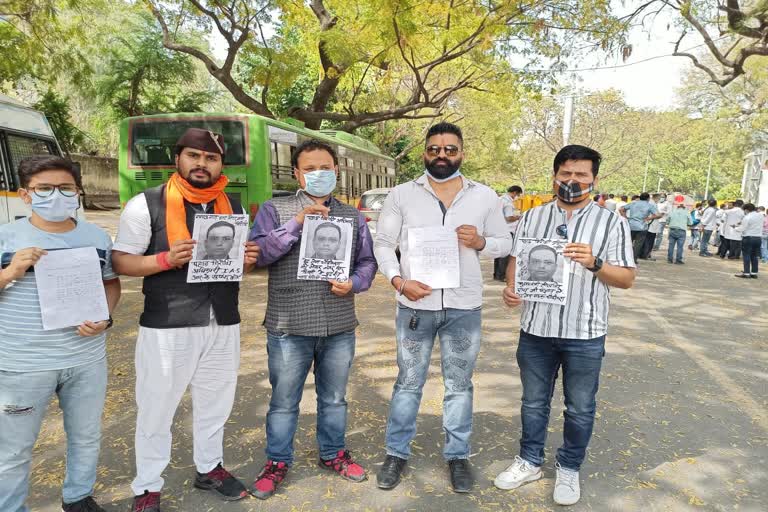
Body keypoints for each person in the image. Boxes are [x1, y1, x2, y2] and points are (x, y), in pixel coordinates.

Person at [112, 128, 260, 512]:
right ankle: (147, 486)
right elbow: (121, 261)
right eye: (194, 155)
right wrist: (164, 259)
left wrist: (246, 260)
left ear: (220, 165)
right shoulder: (146, 204)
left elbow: (232, 263)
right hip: (169, 322)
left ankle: (209, 468)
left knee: (216, 402)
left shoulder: (233, 206)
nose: (201, 164)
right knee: (157, 406)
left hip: (222, 320)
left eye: (210, 158)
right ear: (178, 158)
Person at [373, 122, 511, 494]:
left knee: (459, 385)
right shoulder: (402, 194)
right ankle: (396, 453)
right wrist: (398, 281)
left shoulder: (484, 196)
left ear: (462, 153)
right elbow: (383, 243)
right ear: (424, 152)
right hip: (415, 304)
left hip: (464, 306)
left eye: (450, 149)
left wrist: (482, 241)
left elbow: (504, 241)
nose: (442, 155)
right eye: (434, 149)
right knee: (408, 383)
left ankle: (457, 455)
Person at [494, 145, 635, 507]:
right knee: (533, 402)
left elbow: (626, 279)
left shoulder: (612, 222)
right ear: (555, 176)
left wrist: (595, 262)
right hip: (536, 329)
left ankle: (569, 467)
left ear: (594, 179)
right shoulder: (532, 217)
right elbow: (516, 260)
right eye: (566, 174)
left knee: (580, 407)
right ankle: (529, 461)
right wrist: (512, 289)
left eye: (581, 175)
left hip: (584, 333)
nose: (573, 181)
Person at [248, 139, 377, 500]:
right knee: (284, 400)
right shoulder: (276, 209)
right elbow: (259, 255)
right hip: (289, 324)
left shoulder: (352, 215)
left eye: (326, 168)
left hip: (338, 323)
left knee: (334, 398)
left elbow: (367, 261)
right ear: (296, 173)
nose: (319, 174)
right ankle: (277, 462)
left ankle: (333, 453)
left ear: (337, 171)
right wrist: (295, 225)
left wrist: (355, 282)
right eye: (310, 169)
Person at [0, 156, 121, 512]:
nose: (57, 195)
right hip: (24, 363)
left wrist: (105, 317)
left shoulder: (96, 237)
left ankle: (78, 497)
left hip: (86, 359)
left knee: (85, 436)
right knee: (14, 448)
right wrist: (10, 272)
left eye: (66, 188)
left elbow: (110, 285)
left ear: (78, 192)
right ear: (25, 195)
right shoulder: (6, 236)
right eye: (44, 189)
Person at [494, 185, 523, 281]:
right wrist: (519, 217)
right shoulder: (508, 203)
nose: (517, 196)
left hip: (498, 229)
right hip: (507, 230)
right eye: (518, 194)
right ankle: (502, 275)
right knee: (505, 254)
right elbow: (509, 218)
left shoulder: (500, 199)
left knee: (498, 253)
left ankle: (497, 274)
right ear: (514, 192)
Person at [620, 192, 661, 261]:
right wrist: (649, 218)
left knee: (628, 242)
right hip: (642, 227)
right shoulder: (649, 206)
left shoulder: (633, 203)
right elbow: (658, 215)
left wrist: (625, 217)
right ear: (648, 198)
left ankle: (624, 257)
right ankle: (633, 259)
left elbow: (621, 209)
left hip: (631, 225)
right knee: (638, 244)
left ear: (640, 197)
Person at [735, 203, 762, 278]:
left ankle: (746, 273)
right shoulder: (760, 215)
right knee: (755, 256)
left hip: (748, 238)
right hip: (758, 238)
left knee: (746, 255)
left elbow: (742, 228)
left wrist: (735, 228)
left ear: (746, 210)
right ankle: (754, 273)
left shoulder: (747, 217)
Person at [666, 199, 691, 264]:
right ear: (684, 207)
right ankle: (678, 260)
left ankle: (669, 259)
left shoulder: (672, 212)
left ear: (677, 207)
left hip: (672, 230)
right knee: (680, 247)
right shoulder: (687, 212)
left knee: (671, 245)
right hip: (681, 231)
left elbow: (667, 221)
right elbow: (690, 222)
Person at [642, 193, 664, 259]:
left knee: (647, 240)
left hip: (650, 224)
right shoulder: (652, 204)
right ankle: (646, 254)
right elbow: (656, 215)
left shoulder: (651, 203)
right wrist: (660, 215)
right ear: (656, 198)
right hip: (651, 225)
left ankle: (645, 254)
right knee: (649, 241)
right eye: (660, 198)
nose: (660, 199)